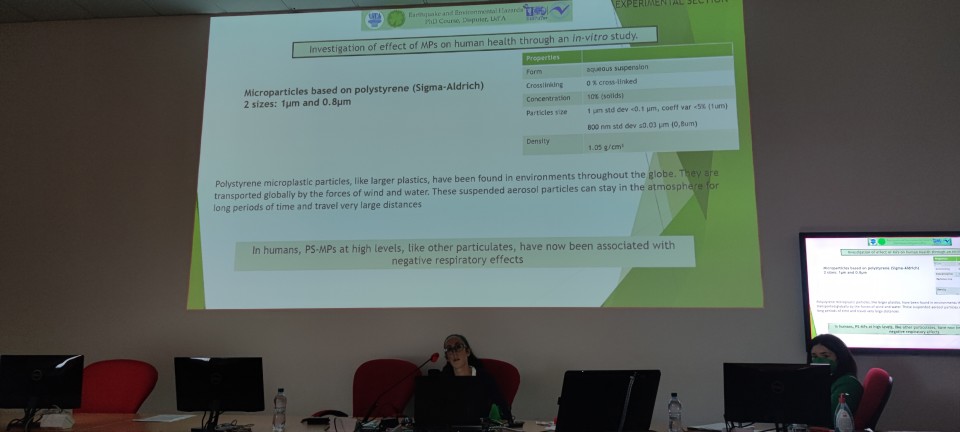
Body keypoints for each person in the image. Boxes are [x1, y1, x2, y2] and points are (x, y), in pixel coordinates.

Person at [439, 334, 513, 422]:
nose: (454, 353)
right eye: (449, 349)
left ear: (467, 352)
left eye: (458, 347)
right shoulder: (442, 382)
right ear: (447, 357)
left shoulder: (485, 379)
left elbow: (504, 411)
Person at [808, 333, 863, 421]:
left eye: (825, 356)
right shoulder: (825, 380)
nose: (818, 360)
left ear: (839, 357)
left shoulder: (848, 383)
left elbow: (830, 417)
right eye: (814, 356)